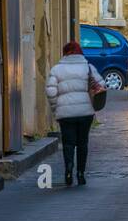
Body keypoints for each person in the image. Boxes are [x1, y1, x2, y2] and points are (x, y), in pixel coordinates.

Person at [45, 40, 105, 187]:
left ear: (64, 53)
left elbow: (51, 91)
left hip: (65, 114)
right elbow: (101, 85)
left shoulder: (56, 70)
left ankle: (68, 170)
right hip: (85, 113)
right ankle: (81, 173)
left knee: (68, 143)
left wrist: (55, 108)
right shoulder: (88, 68)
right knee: (83, 143)